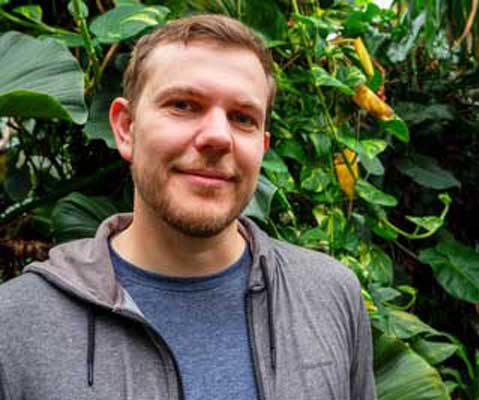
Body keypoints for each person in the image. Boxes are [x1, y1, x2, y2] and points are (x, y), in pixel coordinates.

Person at [0, 14, 375, 400]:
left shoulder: (331, 294)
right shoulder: (16, 324)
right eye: (183, 105)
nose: (217, 136)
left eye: (242, 118)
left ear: (261, 148)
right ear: (126, 128)